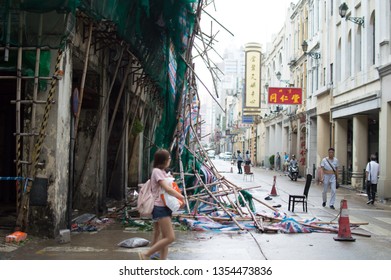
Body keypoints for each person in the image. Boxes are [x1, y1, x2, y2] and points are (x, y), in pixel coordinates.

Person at [139, 149, 184, 260]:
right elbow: (167, 188)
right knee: (170, 237)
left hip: (165, 206)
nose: (170, 160)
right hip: (160, 207)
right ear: (163, 160)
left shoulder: (163, 172)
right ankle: (146, 254)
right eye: (168, 158)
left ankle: (162, 260)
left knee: (164, 236)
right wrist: (180, 196)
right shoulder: (157, 172)